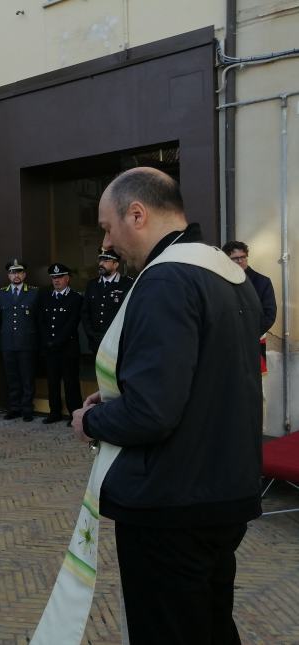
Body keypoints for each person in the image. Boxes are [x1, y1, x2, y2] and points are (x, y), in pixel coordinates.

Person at [72, 167, 262, 645]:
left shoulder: (165, 280)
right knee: (212, 625)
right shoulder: (228, 276)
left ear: (137, 214)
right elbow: (203, 385)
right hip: (224, 493)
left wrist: (92, 419)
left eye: (106, 227)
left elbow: (152, 413)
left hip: (171, 504)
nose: (107, 243)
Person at [37, 264, 83, 425]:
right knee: (52, 382)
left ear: (67, 278)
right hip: (50, 348)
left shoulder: (76, 298)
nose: (56, 281)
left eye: (59, 277)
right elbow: (41, 321)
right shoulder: (45, 297)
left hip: (67, 348)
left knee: (71, 383)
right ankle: (54, 412)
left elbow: (72, 323)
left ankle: (74, 414)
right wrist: (47, 340)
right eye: (53, 278)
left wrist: (57, 341)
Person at [222, 240, 277, 369]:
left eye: (243, 257)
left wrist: (248, 333)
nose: (240, 261)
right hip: (226, 343)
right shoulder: (220, 282)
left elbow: (269, 314)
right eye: (235, 258)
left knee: (253, 383)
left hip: (253, 342)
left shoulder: (262, 282)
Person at [0, 259, 39, 421]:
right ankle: (14, 408)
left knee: (27, 378)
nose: (16, 275)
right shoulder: (1, 294)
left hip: (27, 343)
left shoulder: (34, 292)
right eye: (13, 272)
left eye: (19, 272)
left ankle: (27, 408)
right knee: (12, 378)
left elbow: (38, 319)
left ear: (24, 274)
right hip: (7, 343)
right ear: (8, 275)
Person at [81, 249, 134, 353]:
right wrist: (92, 335)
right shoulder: (92, 284)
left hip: (117, 341)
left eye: (106, 261)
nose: (101, 263)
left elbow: (130, 313)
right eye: (100, 260)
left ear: (115, 264)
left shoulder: (127, 284)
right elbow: (85, 312)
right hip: (96, 342)